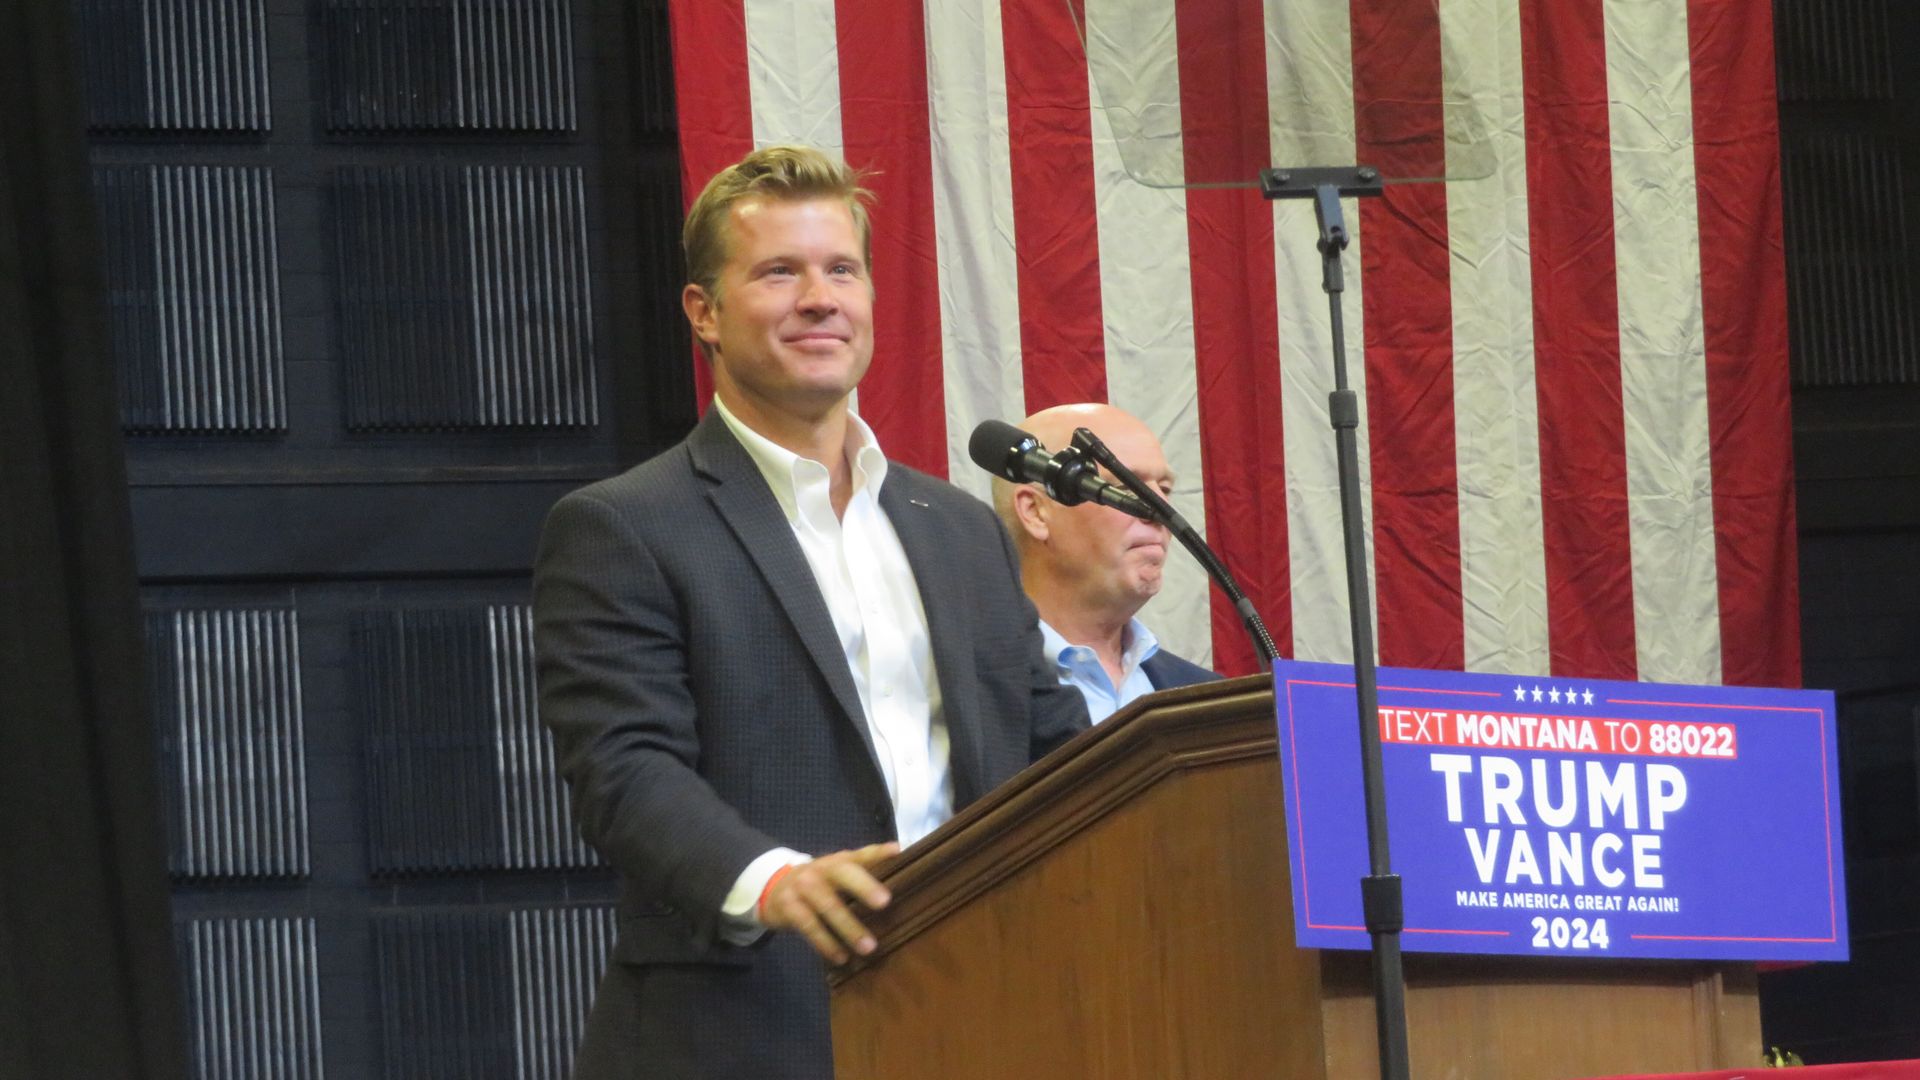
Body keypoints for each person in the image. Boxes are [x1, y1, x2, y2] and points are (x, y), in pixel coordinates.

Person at [531, 145, 1089, 1079]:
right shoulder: (623, 528)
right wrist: (778, 881)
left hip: (978, 1014)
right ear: (702, 313)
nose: (820, 298)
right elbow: (623, 771)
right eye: (779, 272)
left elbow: (1054, 749)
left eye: (841, 269)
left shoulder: (958, 529)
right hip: (742, 1029)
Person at [991, 403, 1220, 723]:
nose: (1161, 509)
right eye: (1124, 487)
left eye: (1164, 489)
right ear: (1036, 513)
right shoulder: (973, 699)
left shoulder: (1210, 704)